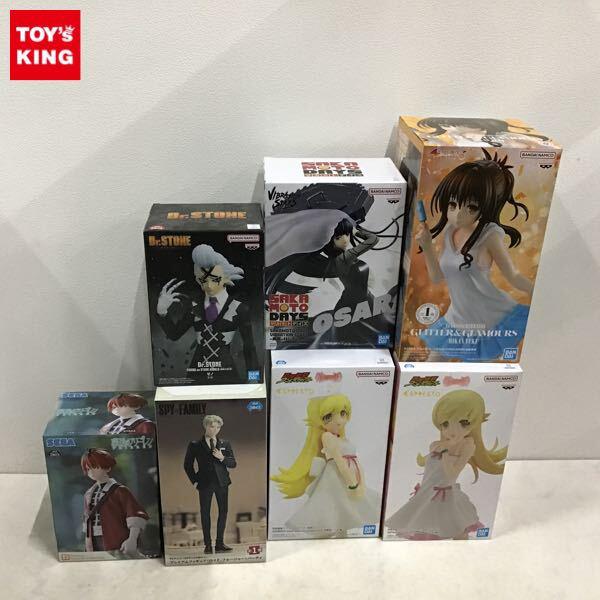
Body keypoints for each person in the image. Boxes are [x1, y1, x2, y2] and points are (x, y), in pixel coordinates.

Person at [416, 149, 533, 361]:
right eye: (452, 204)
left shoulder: (489, 235)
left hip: (489, 318)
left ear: (486, 206)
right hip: (457, 317)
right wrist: (427, 246)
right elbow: (437, 277)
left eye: (470, 207)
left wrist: (539, 297)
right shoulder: (450, 231)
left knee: (478, 372)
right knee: (431, 365)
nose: (458, 214)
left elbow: (513, 275)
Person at [385, 390, 506, 540]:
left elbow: (451, 476)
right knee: (425, 531)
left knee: (456, 530)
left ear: (475, 422)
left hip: (445, 497)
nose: (452, 431)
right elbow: (430, 470)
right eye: (445, 424)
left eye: (463, 423)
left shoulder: (467, 446)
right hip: (426, 494)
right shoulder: (436, 445)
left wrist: (446, 454)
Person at [272, 394, 380, 537]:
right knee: (337, 505)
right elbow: (339, 461)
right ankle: (334, 534)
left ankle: (342, 534)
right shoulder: (327, 436)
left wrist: (361, 482)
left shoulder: (343, 439)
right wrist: (352, 483)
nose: (338, 420)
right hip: (337, 476)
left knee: (347, 506)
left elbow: (356, 461)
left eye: (343, 413)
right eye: (328, 417)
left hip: (350, 475)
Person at [157, 244, 258, 382]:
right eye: (204, 280)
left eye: (215, 279)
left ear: (225, 276)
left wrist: (254, 378)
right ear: (198, 280)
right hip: (196, 377)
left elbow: (249, 346)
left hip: (227, 377)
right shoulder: (194, 307)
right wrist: (162, 311)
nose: (209, 285)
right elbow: (174, 334)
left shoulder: (239, 308)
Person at [183, 415, 236, 554]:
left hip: (222, 483)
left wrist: (222, 457)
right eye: (212, 426)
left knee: (223, 512)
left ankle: (219, 544)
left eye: (218, 427)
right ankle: (207, 545)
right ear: (205, 426)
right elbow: (187, 465)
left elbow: (233, 463)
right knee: (205, 513)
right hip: (204, 483)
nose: (215, 430)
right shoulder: (195, 444)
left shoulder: (225, 443)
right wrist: (195, 481)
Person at [81, 448, 149, 555]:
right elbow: (87, 518)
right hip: (93, 541)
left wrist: (132, 539)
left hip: (116, 538)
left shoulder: (120, 491)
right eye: (88, 469)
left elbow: (135, 515)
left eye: (95, 467)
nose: (91, 472)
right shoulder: (88, 494)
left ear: (107, 468)